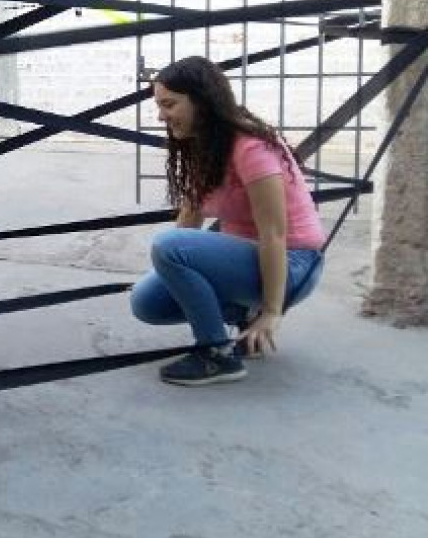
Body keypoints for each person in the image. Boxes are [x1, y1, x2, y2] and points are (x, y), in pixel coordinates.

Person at [130, 57, 326, 386]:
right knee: (146, 301)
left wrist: (272, 311)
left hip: (294, 264)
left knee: (168, 246)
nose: (161, 115)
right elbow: (191, 215)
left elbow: (274, 234)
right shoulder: (205, 144)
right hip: (252, 259)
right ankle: (242, 317)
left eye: (169, 104)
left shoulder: (250, 147)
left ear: (201, 101)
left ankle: (217, 354)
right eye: (159, 105)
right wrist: (166, 269)